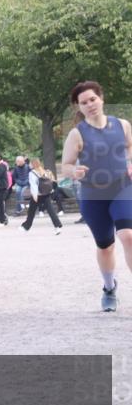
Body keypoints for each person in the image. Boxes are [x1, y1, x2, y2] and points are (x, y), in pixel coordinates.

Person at [61, 80, 131, 312]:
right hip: (93, 194)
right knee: (105, 246)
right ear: (78, 107)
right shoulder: (76, 134)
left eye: (93, 99)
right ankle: (109, 287)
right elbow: (66, 166)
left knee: (128, 236)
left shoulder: (122, 125)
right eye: (84, 102)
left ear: (101, 98)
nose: (90, 104)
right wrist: (75, 172)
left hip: (123, 187)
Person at [19, 158, 62, 235]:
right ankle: (57, 226)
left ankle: (26, 227)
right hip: (46, 194)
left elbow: (34, 185)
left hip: (38, 195)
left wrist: (34, 196)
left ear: (33, 164)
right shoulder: (44, 171)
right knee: (51, 211)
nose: (29, 165)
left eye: (30, 163)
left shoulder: (32, 173)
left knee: (31, 212)